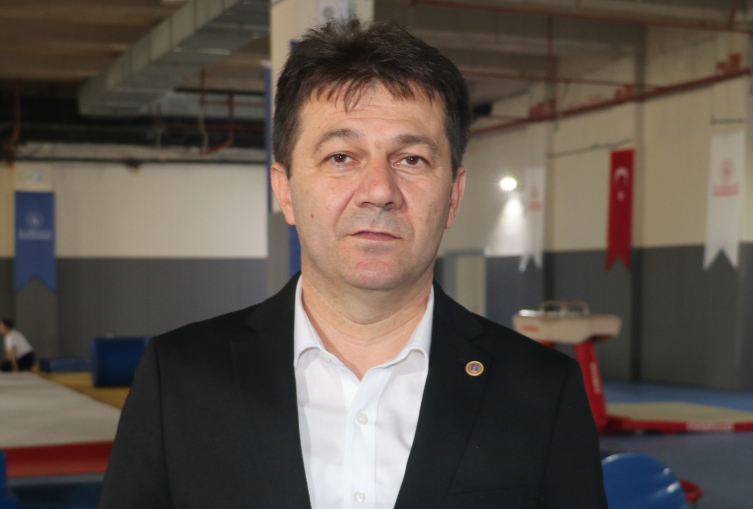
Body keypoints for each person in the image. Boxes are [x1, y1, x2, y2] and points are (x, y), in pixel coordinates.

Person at [99, 19, 607, 509]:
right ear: (285, 190)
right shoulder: (178, 380)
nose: (380, 191)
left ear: (453, 197)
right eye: (341, 156)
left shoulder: (542, 392)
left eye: (411, 159)